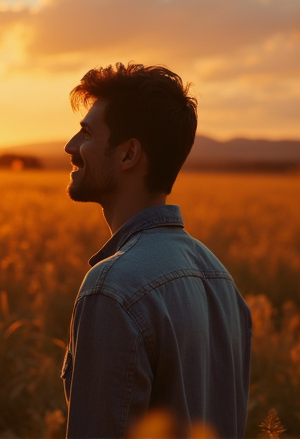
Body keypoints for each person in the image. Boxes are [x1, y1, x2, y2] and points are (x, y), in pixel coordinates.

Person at [61, 62, 251, 438]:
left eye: (85, 133)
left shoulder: (112, 288)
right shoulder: (222, 281)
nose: (70, 147)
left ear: (129, 154)